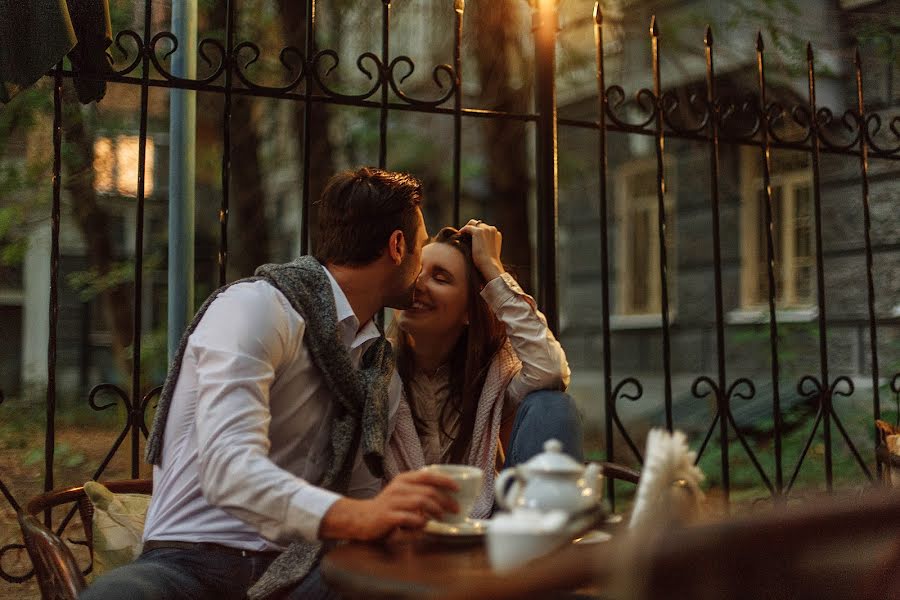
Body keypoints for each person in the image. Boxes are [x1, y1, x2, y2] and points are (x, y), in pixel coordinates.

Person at [81, 168, 460, 600]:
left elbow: (360, 498)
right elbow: (228, 468)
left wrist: (399, 522)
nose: (424, 259)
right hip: (188, 563)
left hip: (301, 572)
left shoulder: (376, 370)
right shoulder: (255, 309)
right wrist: (359, 516)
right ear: (397, 246)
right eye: (423, 244)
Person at [386, 220, 581, 518]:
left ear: (468, 312)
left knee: (552, 405)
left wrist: (491, 267)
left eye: (440, 277)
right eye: (416, 271)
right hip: (396, 524)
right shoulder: (373, 365)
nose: (418, 284)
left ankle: (543, 550)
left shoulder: (492, 377)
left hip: (486, 528)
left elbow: (551, 370)